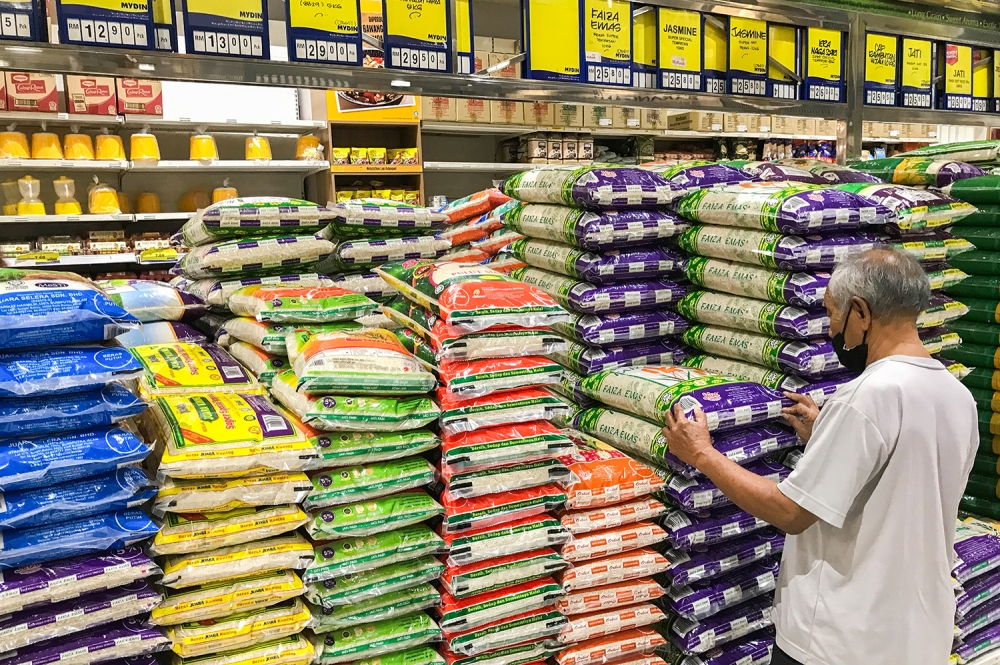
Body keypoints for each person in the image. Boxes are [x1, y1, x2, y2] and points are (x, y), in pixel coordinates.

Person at [661, 248, 978, 665]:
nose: (831, 330)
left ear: (860, 312)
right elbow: (901, 477)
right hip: (917, 638)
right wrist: (826, 436)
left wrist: (702, 454)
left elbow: (790, 513)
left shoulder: (866, 396)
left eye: (832, 314)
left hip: (837, 642)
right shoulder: (957, 396)